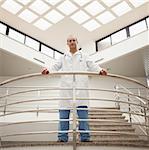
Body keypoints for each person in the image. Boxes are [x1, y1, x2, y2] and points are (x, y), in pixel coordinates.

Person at [42, 35, 107, 142]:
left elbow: (92, 65)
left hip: (81, 90)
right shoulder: (63, 57)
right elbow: (55, 66)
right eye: (69, 41)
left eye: (73, 40)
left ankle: (85, 138)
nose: (72, 42)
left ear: (77, 42)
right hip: (66, 91)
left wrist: (100, 70)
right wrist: (47, 70)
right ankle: (62, 138)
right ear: (67, 43)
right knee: (63, 117)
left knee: (83, 117)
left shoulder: (84, 56)